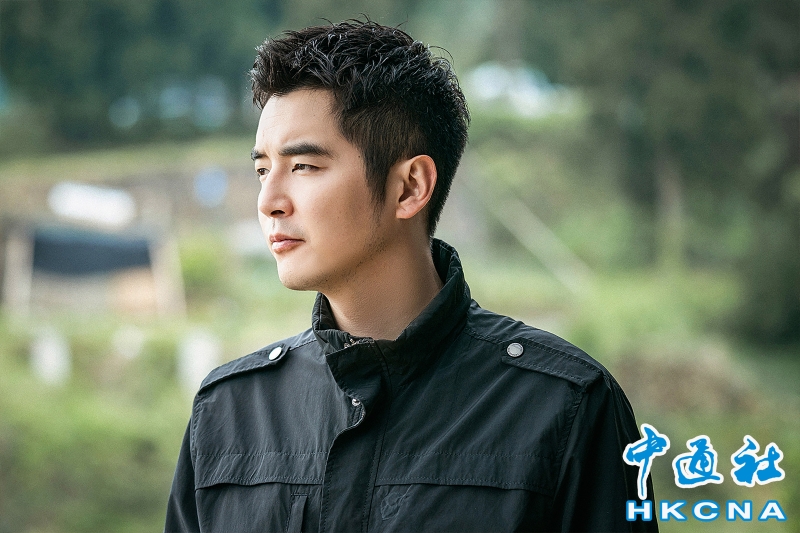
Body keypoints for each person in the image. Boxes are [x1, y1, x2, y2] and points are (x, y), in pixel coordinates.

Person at [165, 20, 657, 533]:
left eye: (305, 166)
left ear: (409, 187)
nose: (268, 202)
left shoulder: (565, 406)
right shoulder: (228, 412)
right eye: (263, 170)